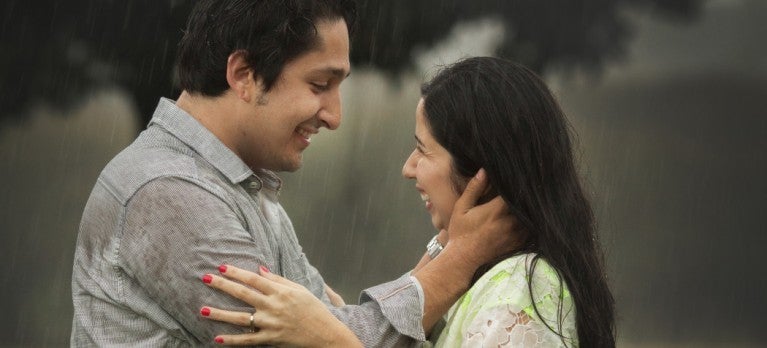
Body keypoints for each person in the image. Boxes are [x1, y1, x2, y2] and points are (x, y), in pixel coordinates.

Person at [70, 1, 516, 346]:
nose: (335, 116)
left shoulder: (241, 185)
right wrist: (461, 256)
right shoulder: (168, 196)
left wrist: (448, 250)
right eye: (320, 85)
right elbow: (331, 343)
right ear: (243, 74)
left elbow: (332, 329)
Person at [201, 57, 616, 347]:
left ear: (480, 171)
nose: (408, 168)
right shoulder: (486, 277)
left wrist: (326, 337)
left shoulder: (521, 290)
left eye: (424, 150)